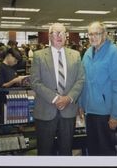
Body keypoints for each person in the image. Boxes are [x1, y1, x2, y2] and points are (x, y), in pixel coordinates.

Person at [30, 23, 85, 155]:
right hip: (45, 110)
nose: (59, 36)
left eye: (62, 33)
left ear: (66, 36)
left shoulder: (76, 55)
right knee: (44, 151)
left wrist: (68, 98)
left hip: (68, 111)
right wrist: (55, 98)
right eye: (55, 33)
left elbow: (81, 79)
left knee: (66, 150)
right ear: (49, 36)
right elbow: (35, 82)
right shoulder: (38, 55)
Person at [78, 21, 117, 156]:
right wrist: (81, 104)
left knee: (106, 151)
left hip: (105, 112)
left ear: (104, 34)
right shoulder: (88, 52)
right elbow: (83, 81)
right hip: (90, 111)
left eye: (97, 34)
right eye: (90, 34)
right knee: (92, 149)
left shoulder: (114, 52)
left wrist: (116, 115)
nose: (93, 37)